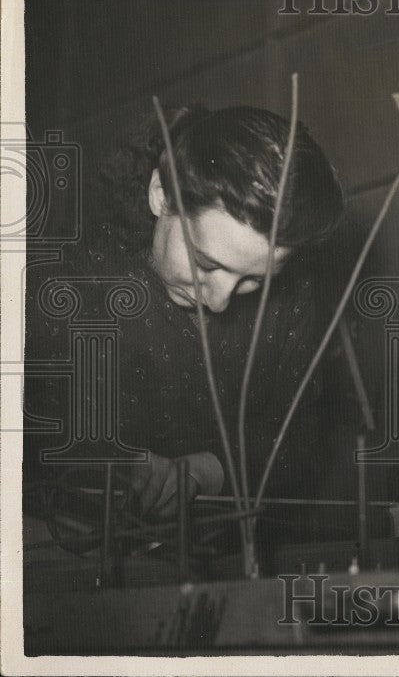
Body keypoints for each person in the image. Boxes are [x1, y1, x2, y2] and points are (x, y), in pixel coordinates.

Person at [24, 105, 346, 521]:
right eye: (207, 265)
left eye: (254, 281)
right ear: (162, 195)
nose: (220, 301)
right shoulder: (67, 291)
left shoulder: (293, 298)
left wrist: (207, 471)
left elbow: (297, 439)